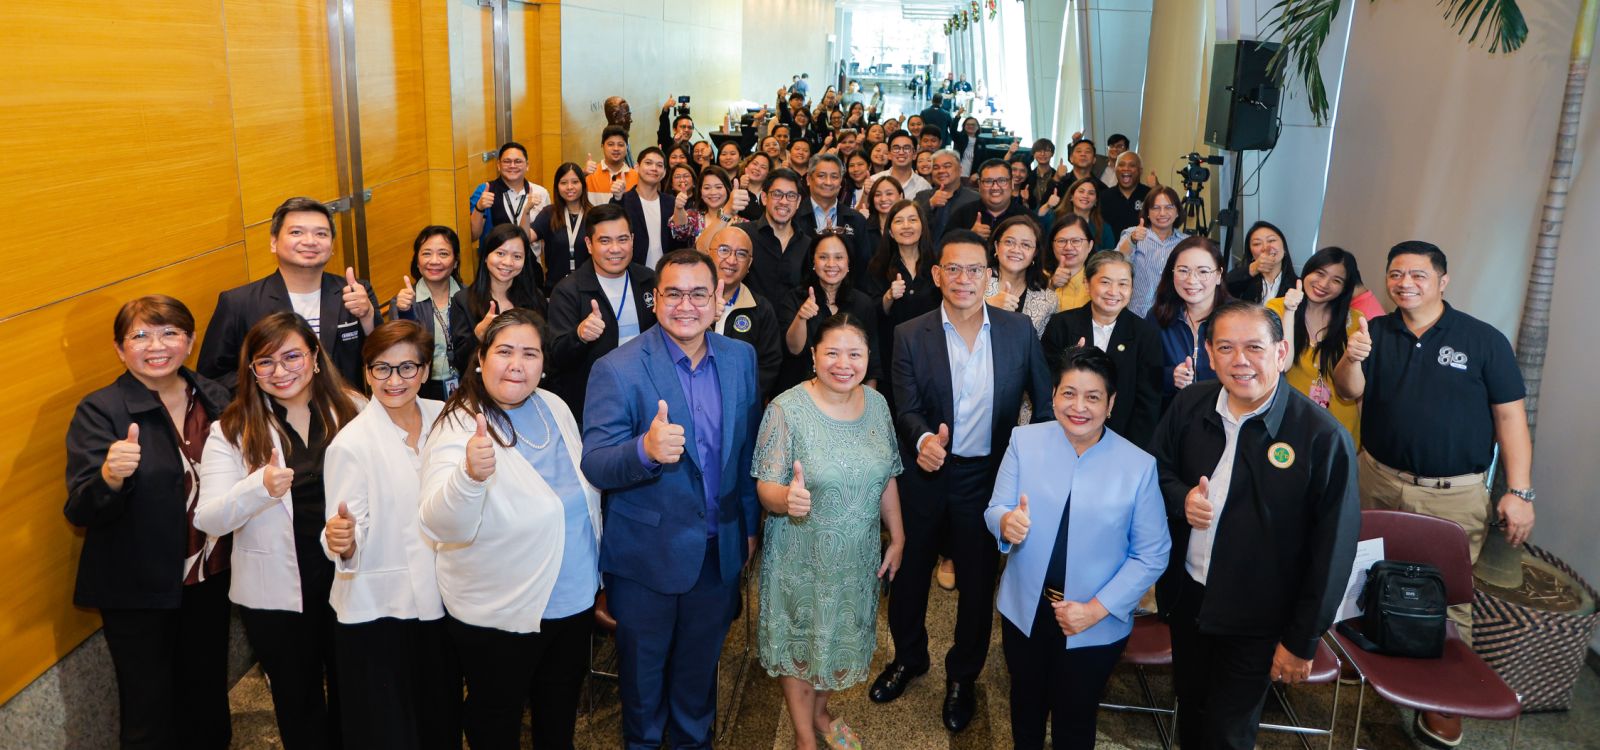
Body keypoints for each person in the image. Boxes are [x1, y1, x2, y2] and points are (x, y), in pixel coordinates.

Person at [1331, 240, 1533, 750]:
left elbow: (1510, 416)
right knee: (1364, 573)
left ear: (1443, 281)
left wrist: (1519, 490)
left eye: (1418, 275)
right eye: (1396, 274)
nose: (1405, 283)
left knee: (1449, 593)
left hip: (1453, 493)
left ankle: (1441, 702)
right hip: (1377, 476)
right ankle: (1365, 662)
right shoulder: (1373, 332)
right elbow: (1349, 390)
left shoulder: (1482, 340)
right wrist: (1352, 358)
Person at [1150, 300, 1360, 750]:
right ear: (1209, 354)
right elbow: (1156, 471)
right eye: (1225, 347)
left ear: (1281, 353)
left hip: (1260, 615)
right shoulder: (1190, 404)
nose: (1239, 360)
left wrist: (1301, 639)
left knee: (1228, 731)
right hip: (1190, 598)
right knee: (1191, 706)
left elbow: (1334, 551)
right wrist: (1179, 498)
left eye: (1254, 347)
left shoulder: (1321, 438)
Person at [580, 250, 762, 750]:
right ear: (655, 299)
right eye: (674, 293)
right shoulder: (617, 368)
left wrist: (747, 528)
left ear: (719, 299)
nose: (687, 305)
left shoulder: (739, 359)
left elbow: (744, 454)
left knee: (697, 685)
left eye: (699, 293)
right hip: (645, 560)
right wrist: (644, 450)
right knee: (642, 695)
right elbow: (595, 462)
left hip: (718, 553)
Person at [872, 230, 1054, 732]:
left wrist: (1028, 466)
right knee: (909, 575)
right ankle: (909, 657)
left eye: (974, 269)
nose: (964, 279)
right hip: (927, 473)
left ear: (989, 275)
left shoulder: (1018, 331)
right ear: (937, 275)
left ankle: (963, 675)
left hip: (988, 479)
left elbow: (1044, 402)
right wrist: (923, 438)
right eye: (953, 269)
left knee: (977, 583)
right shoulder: (912, 333)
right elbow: (904, 405)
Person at [419, 308, 601, 749]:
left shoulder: (554, 406)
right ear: (480, 359)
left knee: (558, 715)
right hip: (501, 613)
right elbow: (440, 522)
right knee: (495, 721)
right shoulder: (458, 425)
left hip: (573, 601)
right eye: (504, 352)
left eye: (530, 354)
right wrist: (469, 476)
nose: (517, 364)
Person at [65, 296, 234, 749]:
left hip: (208, 578)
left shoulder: (218, 399)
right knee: (148, 713)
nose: (156, 345)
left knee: (207, 699)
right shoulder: (102, 411)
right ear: (121, 350)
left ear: (191, 341)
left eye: (169, 333)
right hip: (137, 588)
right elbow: (81, 509)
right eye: (140, 335)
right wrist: (109, 476)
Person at [986, 346, 1170, 750]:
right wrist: (1005, 522)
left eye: (1093, 397)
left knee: (1075, 719)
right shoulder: (1024, 440)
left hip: (1094, 619)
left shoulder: (1137, 465)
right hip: (1025, 609)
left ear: (1111, 403)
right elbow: (996, 507)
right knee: (1025, 708)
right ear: (1052, 395)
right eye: (1069, 393)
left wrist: (1096, 609)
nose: (1079, 407)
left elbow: (1152, 553)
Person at [195, 312, 363, 749]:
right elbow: (208, 518)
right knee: (297, 699)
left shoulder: (354, 408)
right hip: (277, 595)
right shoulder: (230, 430)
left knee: (356, 692)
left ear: (315, 357)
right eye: (265, 363)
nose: (280, 371)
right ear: (251, 372)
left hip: (349, 574)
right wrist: (259, 487)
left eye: (292, 356)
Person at [754, 313, 906, 750]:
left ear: (867, 359)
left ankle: (821, 713)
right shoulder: (786, 409)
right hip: (801, 557)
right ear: (815, 356)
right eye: (833, 352)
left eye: (854, 353)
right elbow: (765, 486)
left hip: (857, 557)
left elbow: (887, 475)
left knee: (839, 639)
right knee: (802, 643)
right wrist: (787, 500)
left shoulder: (876, 404)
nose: (844, 363)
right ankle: (805, 733)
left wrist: (897, 536)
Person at [320, 320, 459, 749]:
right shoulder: (351, 444)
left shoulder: (448, 419)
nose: (394, 381)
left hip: (440, 600)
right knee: (388, 729)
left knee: (439, 717)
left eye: (406, 368)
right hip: (378, 610)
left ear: (423, 370)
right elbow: (343, 528)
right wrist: (342, 541)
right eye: (381, 368)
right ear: (366, 372)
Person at [198, 196, 379, 389]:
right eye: (296, 232)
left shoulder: (356, 292)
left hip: (343, 414)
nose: (310, 241)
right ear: (274, 242)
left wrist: (368, 317)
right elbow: (212, 379)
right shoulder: (238, 303)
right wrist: (271, 382)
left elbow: (383, 358)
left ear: (332, 246)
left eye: (321, 234)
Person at [545, 202, 657, 423]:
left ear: (633, 240)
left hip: (647, 395)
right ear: (589, 244)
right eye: (605, 241)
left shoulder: (649, 280)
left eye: (623, 239)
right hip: (594, 403)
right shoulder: (569, 291)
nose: (615, 249)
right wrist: (579, 336)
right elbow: (555, 355)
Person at [1042, 251, 1164, 448]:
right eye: (1105, 282)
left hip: (1120, 441)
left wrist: (1129, 450)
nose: (1114, 291)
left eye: (1123, 284)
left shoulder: (1145, 335)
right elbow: (1046, 386)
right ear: (1087, 284)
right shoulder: (1062, 325)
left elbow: (1148, 404)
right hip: (1062, 438)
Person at [1268, 246, 1365, 446]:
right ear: (1308, 271)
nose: (1324, 284)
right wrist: (1289, 311)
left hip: (1340, 427)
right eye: (1319, 273)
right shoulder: (1276, 308)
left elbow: (1359, 389)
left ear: (1345, 288)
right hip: (1293, 422)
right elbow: (1282, 365)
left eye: (1336, 281)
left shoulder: (1355, 321)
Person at [859, 199, 940, 411]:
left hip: (933, 352)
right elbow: (871, 313)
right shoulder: (878, 266)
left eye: (912, 220)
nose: (906, 226)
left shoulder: (938, 264)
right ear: (890, 232)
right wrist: (888, 297)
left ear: (922, 226)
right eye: (899, 221)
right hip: (893, 354)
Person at [777, 232, 880, 393]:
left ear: (848, 263)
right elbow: (793, 349)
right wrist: (801, 317)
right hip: (802, 393)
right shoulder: (795, 298)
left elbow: (872, 362)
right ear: (813, 262)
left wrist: (870, 405)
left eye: (839, 257)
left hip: (849, 396)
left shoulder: (863, 303)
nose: (831, 264)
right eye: (823, 257)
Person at [448, 223, 547, 375]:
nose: (508, 262)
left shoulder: (535, 298)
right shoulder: (463, 300)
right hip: (481, 388)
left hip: (526, 384)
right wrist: (478, 336)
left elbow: (545, 351)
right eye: (500, 253)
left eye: (517, 256)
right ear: (486, 256)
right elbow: (460, 362)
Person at [1149, 236, 1229, 409]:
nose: (1192, 280)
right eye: (1183, 270)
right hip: (1176, 419)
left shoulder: (1239, 317)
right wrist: (1170, 377)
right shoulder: (1158, 315)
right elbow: (1143, 372)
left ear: (1218, 276)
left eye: (1203, 271)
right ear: (1172, 274)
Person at [709, 225, 784, 400]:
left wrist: (741, 397)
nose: (732, 260)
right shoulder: (690, 301)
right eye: (724, 250)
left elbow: (769, 365)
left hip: (741, 405)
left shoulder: (761, 309)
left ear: (749, 263)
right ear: (709, 254)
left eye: (741, 254)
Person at [391, 227, 464, 401]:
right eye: (426, 254)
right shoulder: (403, 301)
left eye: (443, 254)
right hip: (423, 388)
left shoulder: (469, 297)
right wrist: (405, 312)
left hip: (466, 383)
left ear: (455, 262)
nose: (434, 261)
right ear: (417, 261)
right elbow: (404, 351)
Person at [794, 153, 873, 276]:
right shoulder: (794, 217)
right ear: (809, 179)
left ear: (841, 182)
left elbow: (863, 266)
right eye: (821, 176)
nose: (828, 182)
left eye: (834, 177)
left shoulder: (856, 220)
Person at [745, 169, 814, 305]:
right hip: (749, 322)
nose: (784, 201)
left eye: (791, 196)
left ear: (798, 201)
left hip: (792, 324)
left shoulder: (808, 244)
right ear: (764, 198)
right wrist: (727, 213)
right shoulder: (744, 235)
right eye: (777, 194)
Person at [1118, 185, 1187, 317]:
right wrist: (1132, 240)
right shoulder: (1133, 233)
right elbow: (1116, 261)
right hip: (1137, 315)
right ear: (1147, 213)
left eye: (1168, 207)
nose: (1162, 213)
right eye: (1156, 208)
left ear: (1177, 211)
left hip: (1172, 317)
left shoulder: (1186, 243)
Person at [984, 216, 1056, 338]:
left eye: (1025, 245)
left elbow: (1039, 351)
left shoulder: (1048, 300)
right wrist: (987, 308)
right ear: (997, 246)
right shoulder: (973, 283)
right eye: (1009, 242)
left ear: (1035, 253)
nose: (1016, 250)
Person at [469, 142, 549, 250]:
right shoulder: (485, 191)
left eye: (518, 161)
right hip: (496, 262)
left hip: (531, 262)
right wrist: (479, 207)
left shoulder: (540, 193)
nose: (512, 166)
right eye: (507, 161)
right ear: (498, 165)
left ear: (527, 165)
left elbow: (546, 237)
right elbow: (473, 236)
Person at [529, 162, 594, 293]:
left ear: (583, 184)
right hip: (555, 288)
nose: (569, 187)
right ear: (557, 187)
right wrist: (526, 211)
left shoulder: (594, 215)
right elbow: (526, 238)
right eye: (563, 183)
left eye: (575, 182)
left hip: (588, 287)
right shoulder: (549, 213)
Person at [620, 147, 686, 268]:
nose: (654, 168)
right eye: (648, 163)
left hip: (666, 272)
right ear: (637, 167)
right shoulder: (624, 201)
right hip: (634, 272)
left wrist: (680, 210)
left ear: (664, 172)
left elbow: (681, 239)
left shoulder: (671, 202)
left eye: (659, 165)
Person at [947, 159, 1031, 243]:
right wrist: (969, 236)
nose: (995, 187)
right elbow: (945, 248)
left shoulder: (1027, 219)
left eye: (1002, 181)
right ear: (979, 185)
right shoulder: (963, 214)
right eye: (988, 181)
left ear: (1012, 183)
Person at [1225, 221, 1298, 303]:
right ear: (1251, 253)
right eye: (1257, 243)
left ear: (1284, 248)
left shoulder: (1298, 286)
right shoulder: (1242, 283)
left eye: (1271, 240)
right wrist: (1253, 269)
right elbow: (1223, 286)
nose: (1265, 247)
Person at [918, 148, 979, 241]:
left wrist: (972, 234)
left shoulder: (975, 199)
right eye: (936, 167)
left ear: (960, 170)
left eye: (947, 166)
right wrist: (930, 205)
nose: (941, 171)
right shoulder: (922, 196)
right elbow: (913, 224)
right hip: (926, 254)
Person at [1049, 177, 1116, 249]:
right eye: (1081, 191)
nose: (1085, 196)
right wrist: (1047, 206)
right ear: (1071, 197)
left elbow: (1109, 257)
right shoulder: (1055, 219)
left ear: (1096, 201)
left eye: (1091, 193)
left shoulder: (1104, 229)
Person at [1046, 215, 1094, 312]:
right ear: (1052, 246)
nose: (1068, 247)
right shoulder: (1037, 278)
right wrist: (1050, 287)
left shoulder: (1098, 282)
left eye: (1076, 241)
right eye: (1061, 241)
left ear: (1090, 245)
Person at [1100, 152, 1152, 239]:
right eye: (1121, 165)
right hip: (1112, 251)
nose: (1126, 169)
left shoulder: (1150, 195)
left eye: (1132, 165)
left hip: (1144, 250)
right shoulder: (1104, 196)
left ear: (1140, 170)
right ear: (1116, 169)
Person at [868, 130, 932, 200]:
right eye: (896, 148)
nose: (901, 152)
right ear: (889, 154)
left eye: (906, 148)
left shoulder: (924, 186)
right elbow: (859, 209)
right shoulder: (874, 180)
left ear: (914, 154)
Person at [585, 125, 639, 206]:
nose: (616, 148)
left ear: (627, 147)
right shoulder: (589, 174)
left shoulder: (636, 176)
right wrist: (583, 174)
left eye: (620, 145)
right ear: (602, 146)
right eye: (610, 144)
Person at [860, 174, 904, 251]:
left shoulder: (907, 225)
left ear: (901, 196)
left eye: (889, 193)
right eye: (878, 195)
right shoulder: (865, 227)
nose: (883, 199)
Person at [738, 152, 773, 221]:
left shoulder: (771, 194)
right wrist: (741, 189)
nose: (757, 168)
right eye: (754, 164)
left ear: (768, 173)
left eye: (763, 167)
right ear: (746, 167)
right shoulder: (735, 187)